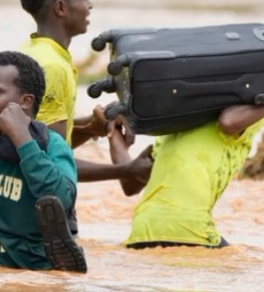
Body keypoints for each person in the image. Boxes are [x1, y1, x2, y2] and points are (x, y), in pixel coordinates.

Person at [16, 0, 153, 233]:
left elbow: (33, 140)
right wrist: (125, 171)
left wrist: (90, 128)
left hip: (18, 208)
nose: (90, 5)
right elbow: (45, 166)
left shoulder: (30, 50)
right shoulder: (53, 67)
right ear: (61, 8)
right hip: (42, 217)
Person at [0, 51, 86, 272]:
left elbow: (61, 198)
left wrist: (23, 139)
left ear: (25, 101)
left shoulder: (52, 145)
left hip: (36, 274)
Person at [111, 105, 264, 249]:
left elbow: (130, 183)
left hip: (142, 230)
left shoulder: (172, 124)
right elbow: (228, 122)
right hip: (191, 228)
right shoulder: (244, 116)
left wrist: (113, 133)